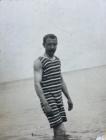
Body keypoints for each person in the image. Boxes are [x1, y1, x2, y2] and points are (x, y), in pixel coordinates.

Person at [33, 34, 73, 139]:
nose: (52, 47)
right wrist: (45, 103)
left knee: (58, 130)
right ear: (43, 45)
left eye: (54, 44)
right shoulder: (39, 62)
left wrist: (69, 98)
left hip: (58, 99)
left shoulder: (57, 60)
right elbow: (37, 84)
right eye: (49, 44)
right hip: (48, 100)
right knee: (61, 130)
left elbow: (61, 81)